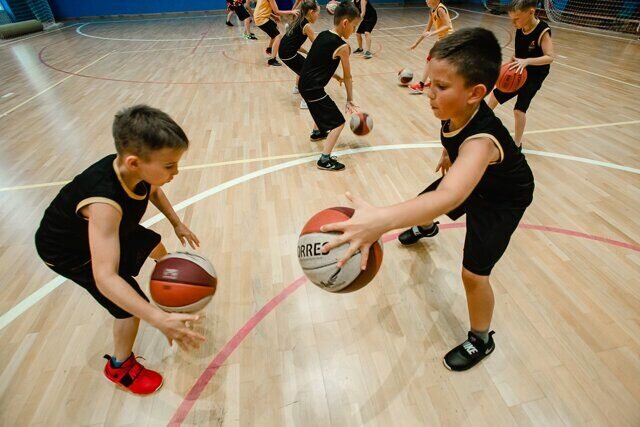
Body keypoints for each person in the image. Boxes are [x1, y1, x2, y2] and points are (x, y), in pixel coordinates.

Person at [321, 28, 535, 371]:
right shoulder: (461, 109)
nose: (429, 94)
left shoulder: (480, 144)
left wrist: (380, 219)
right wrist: (451, 153)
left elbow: (453, 193)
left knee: (473, 274)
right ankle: (427, 229)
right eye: (430, 83)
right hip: (470, 174)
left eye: (441, 87)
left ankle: (481, 338)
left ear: (474, 92)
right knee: (424, 204)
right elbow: (468, 125)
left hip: (501, 198)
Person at [35, 105, 206, 394]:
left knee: (153, 242)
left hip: (109, 228)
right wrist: (158, 318)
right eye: (169, 166)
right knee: (128, 310)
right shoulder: (104, 203)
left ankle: (171, 277)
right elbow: (105, 277)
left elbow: (154, 191)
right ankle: (119, 367)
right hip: (68, 252)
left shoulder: (133, 171)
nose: (176, 171)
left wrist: (176, 223)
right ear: (134, 162)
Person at [298, 1, 360, 171]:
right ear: (345, 23)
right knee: (338, 122)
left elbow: (316, 63)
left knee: (323, 105)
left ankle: (317, 132)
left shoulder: (323, 34)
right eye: (354, 27)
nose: (353, 31)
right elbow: (349, 76)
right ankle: (324, 160)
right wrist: (349, 99)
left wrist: (335, 76)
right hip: (312, 88)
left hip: (305, 83)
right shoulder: (342, 47)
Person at [487, 0, 555, 148]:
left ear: (531, 12)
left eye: (516, 18)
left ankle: (517, 144)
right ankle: (482, 121)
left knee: (519, 110)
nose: (513, 22)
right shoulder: (520, 27)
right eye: (511, 18)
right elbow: (520, 52)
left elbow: (549, 57)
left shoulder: (542, 30)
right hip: (519, 71)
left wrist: (527, 61)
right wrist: (513, 60)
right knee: (496, 94)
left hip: (535, 76)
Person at [279, 0, 320, 109]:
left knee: (303, 66)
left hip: (284, 51)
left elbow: (293, 43)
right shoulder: (306, 26)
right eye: (317, 13)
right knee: (309, 73)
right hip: (288, 54)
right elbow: (317, 45)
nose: (318, 16)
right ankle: (305, 100)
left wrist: (306, 52)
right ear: (311, 12)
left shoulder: (298, 20)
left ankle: (297, 87)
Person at [408, 0, 454, 94]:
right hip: (442, 39)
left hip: (448, 39)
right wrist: (416, 43)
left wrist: (433, 33)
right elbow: (427, 30)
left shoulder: (440, 8)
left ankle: (421, 85)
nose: (426, 0)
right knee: (433, 60)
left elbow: (447, 25)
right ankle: (433, 82)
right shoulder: (432, 11)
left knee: (431, 60)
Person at [253, 0, 299, 66]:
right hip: (261, 19)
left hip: (260, 17)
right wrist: (291, 11)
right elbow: (277, 12)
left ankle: (269, 49)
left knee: (275, 29)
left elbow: (262, 8)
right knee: (278, 36)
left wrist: (273, 16)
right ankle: (272, 60)